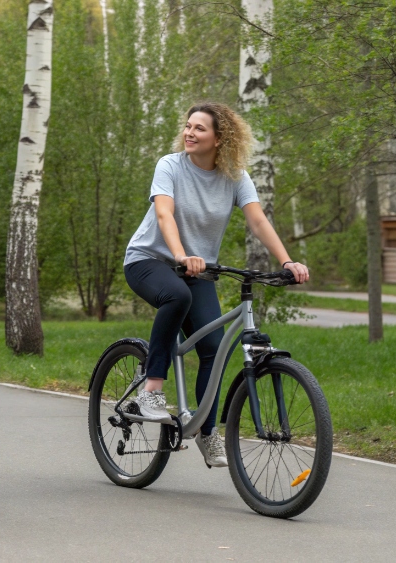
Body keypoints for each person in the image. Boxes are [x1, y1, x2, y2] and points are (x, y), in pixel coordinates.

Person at [123, 102, 309, 468]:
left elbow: (258, 222)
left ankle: (207, 431)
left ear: (220, 138)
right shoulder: (170, 165)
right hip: (149, 260)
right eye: (188, 126)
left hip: (198, 270)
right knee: (175, 296)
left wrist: (287, 261)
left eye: (200, 128)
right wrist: (180, 255)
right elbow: (164, 213)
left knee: (212, 348)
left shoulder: (235, 177)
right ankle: (151, 391)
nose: (189, 132)